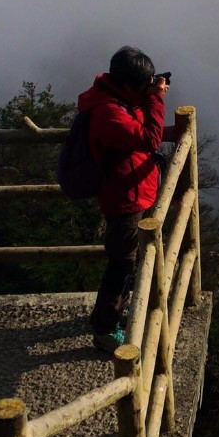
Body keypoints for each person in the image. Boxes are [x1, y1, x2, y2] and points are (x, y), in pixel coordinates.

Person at [78, 45, 168, 352]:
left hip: (135, 191)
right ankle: (103, 329)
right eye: (143, 85)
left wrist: (147, 95)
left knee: (130, 260)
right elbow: (148, 138)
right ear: (128, 85)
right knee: (121, 264)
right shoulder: (108, 113)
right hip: (123, 199)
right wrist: (155, 98)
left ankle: (118, 312)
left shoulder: (118, 98)